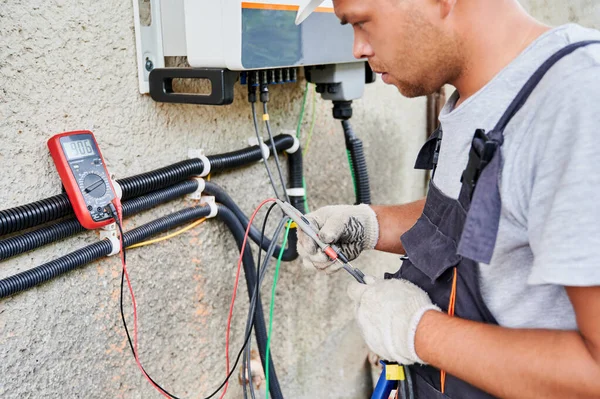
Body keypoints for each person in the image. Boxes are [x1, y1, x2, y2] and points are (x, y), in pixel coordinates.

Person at [294, 0, 600, 397]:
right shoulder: (479, 96)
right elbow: (493, 216)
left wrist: (418, 332)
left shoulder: (577, 101)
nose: (358, 49)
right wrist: (371, 224)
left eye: (362, 23)